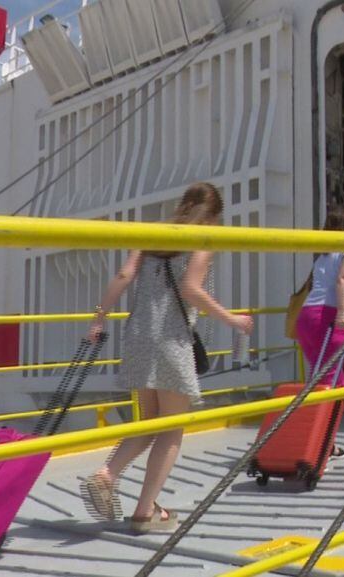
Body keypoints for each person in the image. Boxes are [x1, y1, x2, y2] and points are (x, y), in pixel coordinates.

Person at [80, 183, 253, 533]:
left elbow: (123, 275)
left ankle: (117, 481)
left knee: (148, 423)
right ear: (214, 216)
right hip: (171, 340)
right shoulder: (201, 240)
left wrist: (98, 317)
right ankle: (137, 505)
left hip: (139, 338)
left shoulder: (152, 235)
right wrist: (232, 320)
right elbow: (191, 289)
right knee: (171, 430)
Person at [295, 205, 344, 461]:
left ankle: (321, 440)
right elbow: (343, 280)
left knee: (319, 381)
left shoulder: (324, 255)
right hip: (328, 317)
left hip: (307, 317)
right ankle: (321, 443)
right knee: (334, 385)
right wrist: (342, 313)